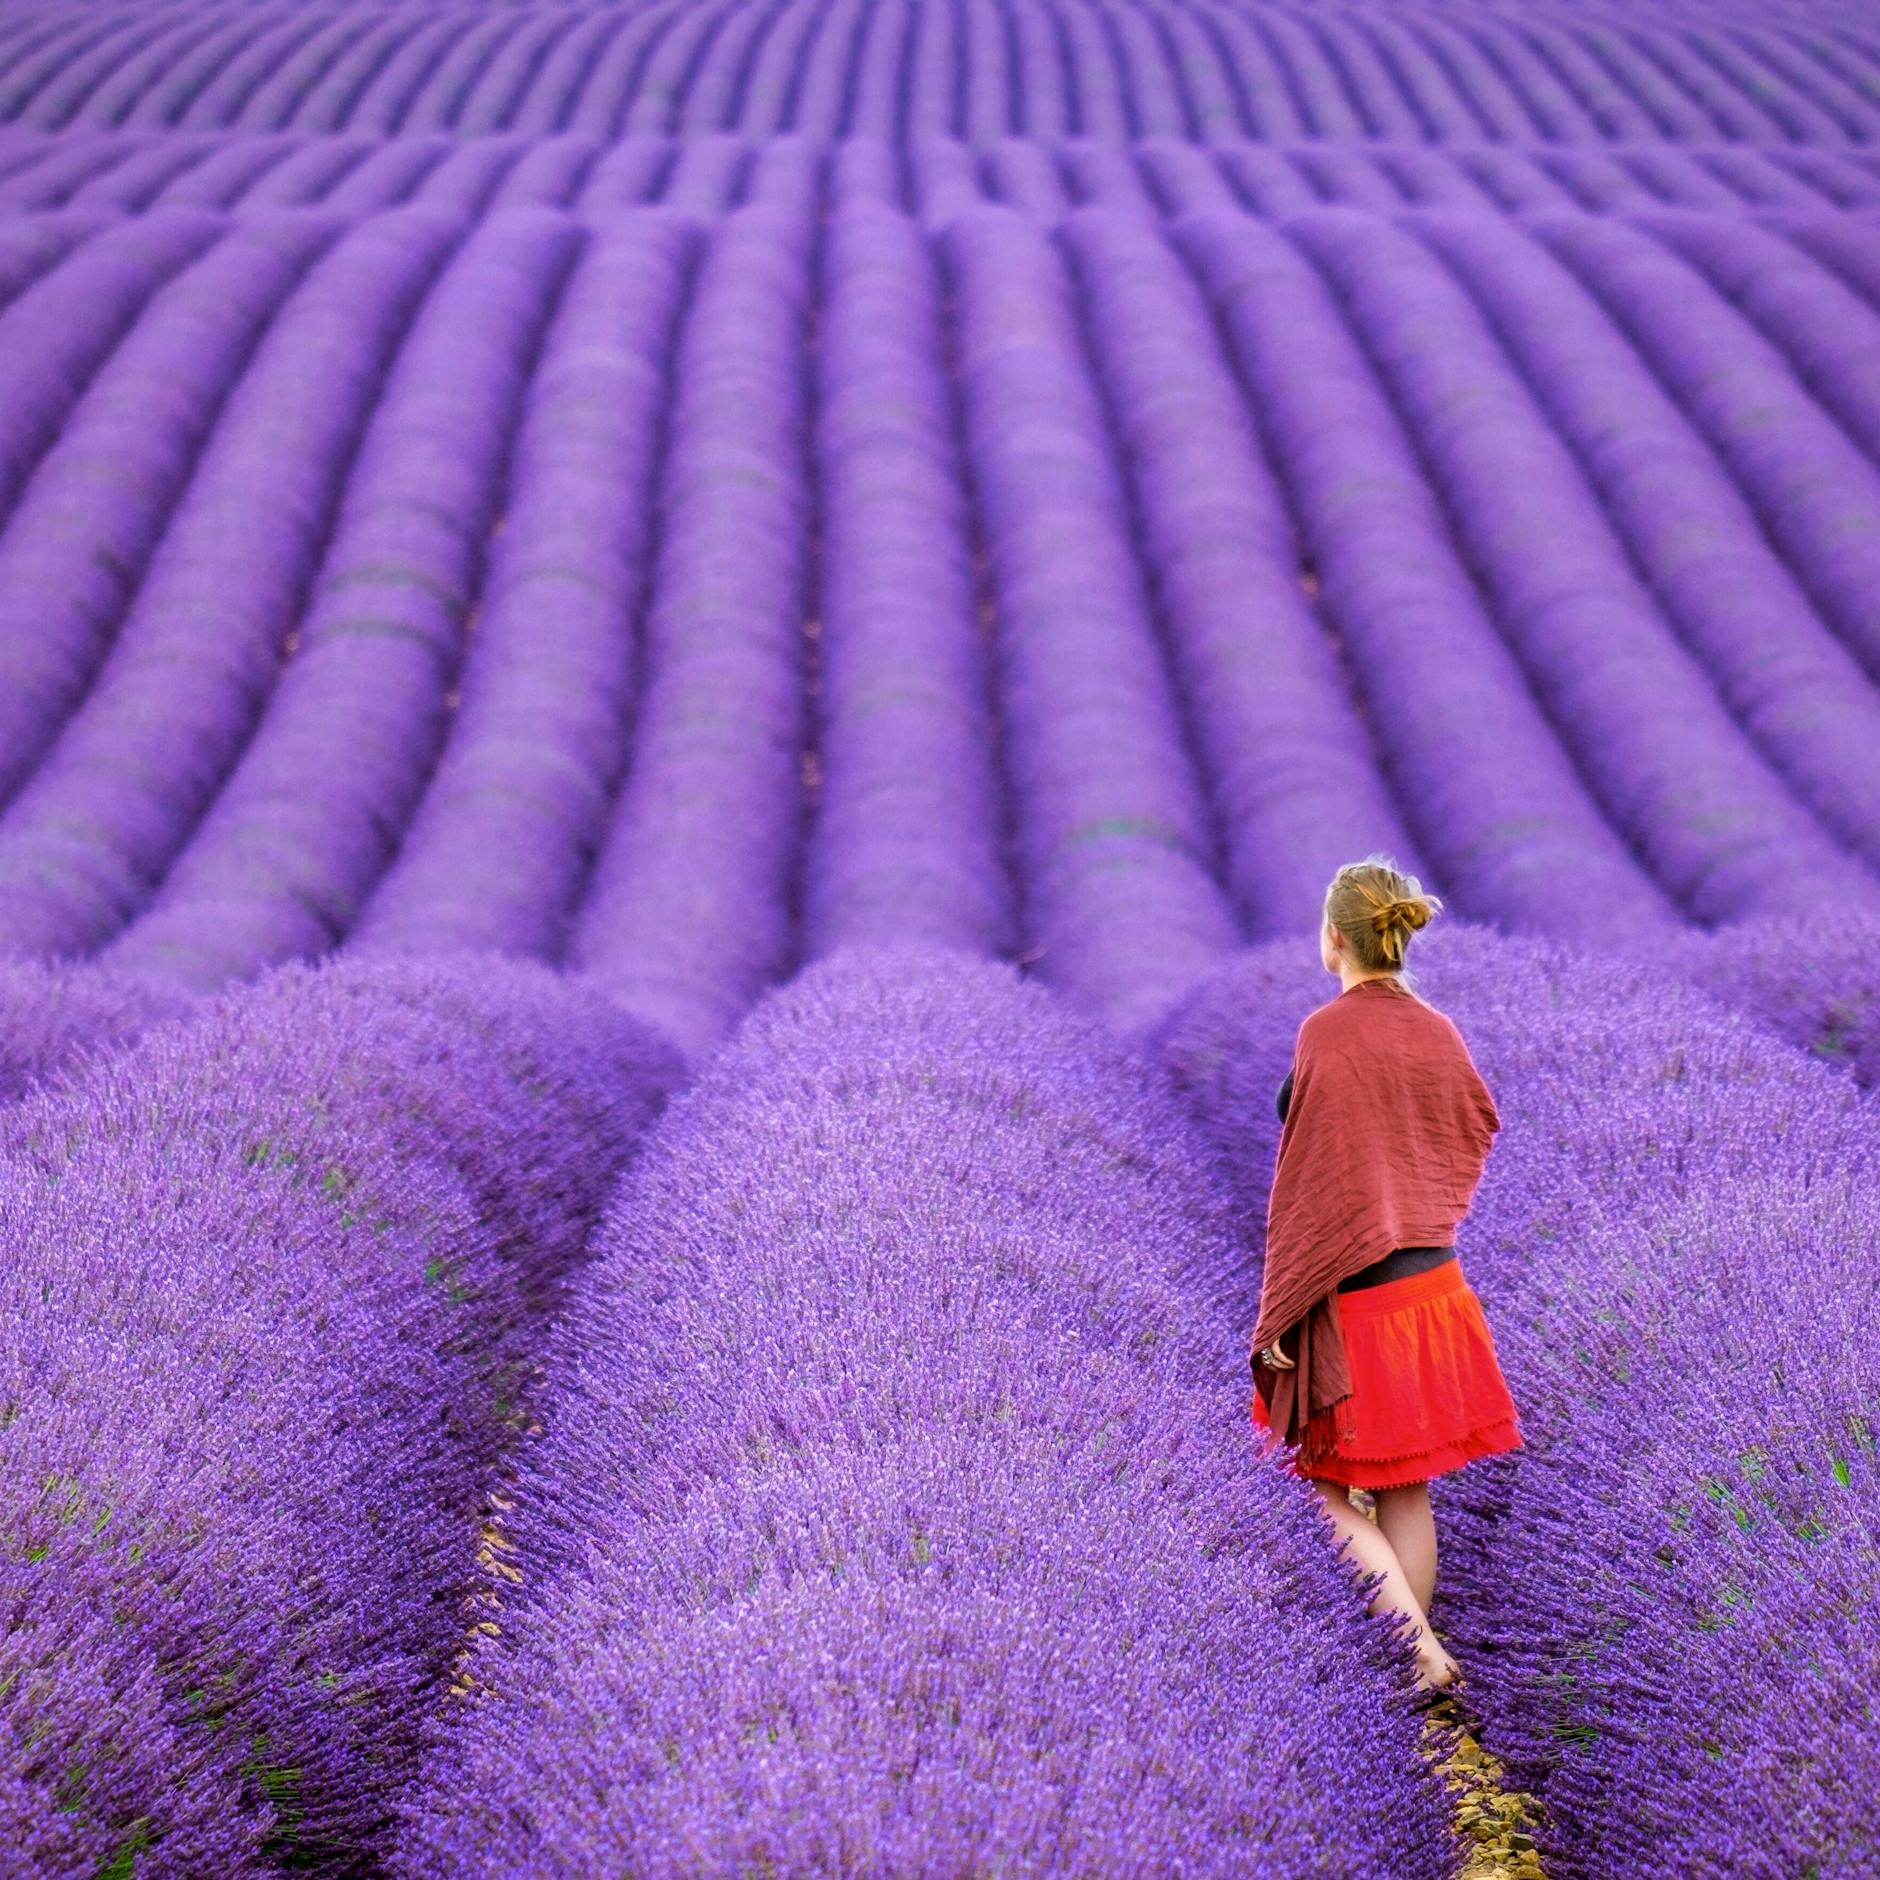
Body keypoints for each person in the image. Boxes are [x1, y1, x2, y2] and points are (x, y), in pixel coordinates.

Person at [1248, 856, 1520, 1699]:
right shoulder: (1437, 1028)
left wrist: (1281, 1313)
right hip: (1435, 1294)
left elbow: (1307, 1187)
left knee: (1315, 1483)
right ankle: (1418, 1665)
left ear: (1335, 938)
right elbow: (1479, 1122)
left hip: (1358, 1303)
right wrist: (1421, 1205)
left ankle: (1419, 1655)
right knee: (1405, 1484)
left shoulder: (1325, 1033)